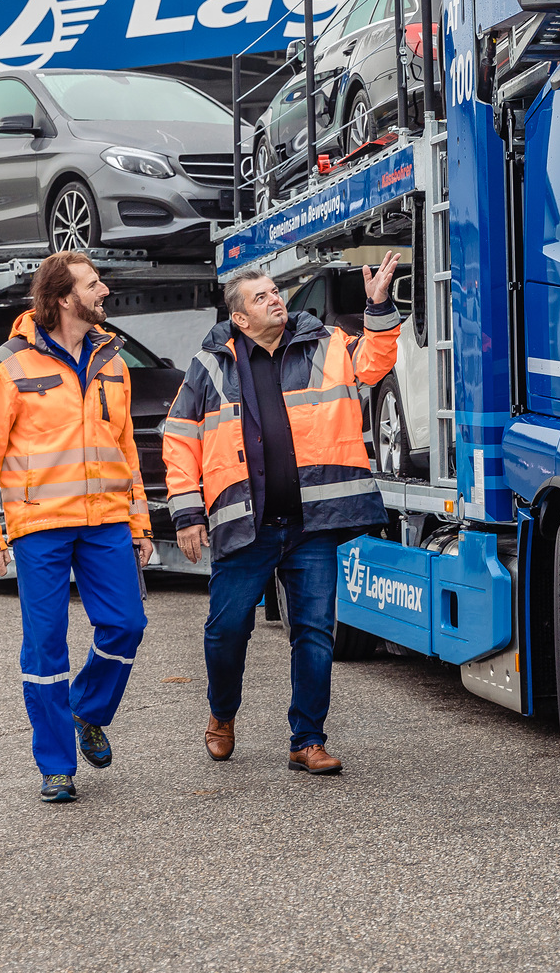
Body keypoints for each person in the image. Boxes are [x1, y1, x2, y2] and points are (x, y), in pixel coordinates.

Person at [164, 252, 402, 775]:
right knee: (226, 632)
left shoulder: (325, 344)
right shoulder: (210, 366)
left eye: (276, 291)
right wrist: (187, 514)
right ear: (240, 318)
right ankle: (222, 714)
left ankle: (307, 740)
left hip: (310, 524)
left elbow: (376, 361)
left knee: (314, 631)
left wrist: (378, 305)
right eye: (261, 296)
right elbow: (180, 440)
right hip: (243, 525)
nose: (275, 299)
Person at [0, 251, 155, 803]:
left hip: (106, 522)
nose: (105, 291)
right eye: (94, 284)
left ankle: (88, 710)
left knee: (126, 625)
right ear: (63, 297)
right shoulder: (7, 366)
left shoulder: (112, 359)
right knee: (46, 645)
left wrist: (139, 523)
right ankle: (55, 765)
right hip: (39, 526)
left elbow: (125, 448)